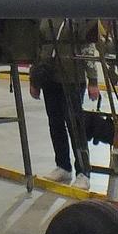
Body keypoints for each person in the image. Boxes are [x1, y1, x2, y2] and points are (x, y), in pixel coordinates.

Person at [30, 19, 101, 182]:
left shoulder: (80, 15)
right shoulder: (43, 16)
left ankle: (83, 172)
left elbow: (88, 48)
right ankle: (63, 166)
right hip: (48, 78)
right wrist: (34, 80)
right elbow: (37, 48)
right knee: (55, 123)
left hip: (73, 79)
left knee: (75, 125)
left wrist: (93, 80)